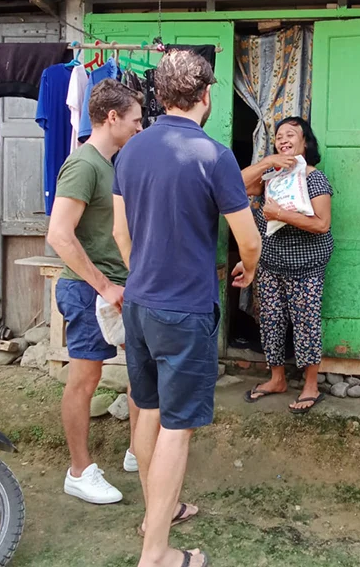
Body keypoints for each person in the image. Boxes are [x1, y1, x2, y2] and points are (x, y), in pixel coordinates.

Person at [113, 50, 261, 567]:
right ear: (207, 95)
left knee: (148, 411)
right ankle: (157, 554)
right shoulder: (214, 155)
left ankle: (162, 513)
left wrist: (144, 274)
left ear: (159, 95)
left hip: (140, 303)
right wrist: (248, 270)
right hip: (185, 309)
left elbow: (120, 233)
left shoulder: (129, 151)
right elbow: (250, 239)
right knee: (178, 425)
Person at [47, 79, 143, 504]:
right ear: (112, 118)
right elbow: (59, 234)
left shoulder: (115, 163)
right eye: (136, 120)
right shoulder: (84, 165)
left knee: (144, 371)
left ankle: (139, 450)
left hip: (119, 289)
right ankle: (79, 471)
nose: (141, 128)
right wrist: (103, 285)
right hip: (88, 291)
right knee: (85, 380)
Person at [242, 117, 333, 414]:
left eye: (291, 135)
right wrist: (268, 161)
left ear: (305, 142)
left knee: (306, 324)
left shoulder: (313, 179)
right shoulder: (271, 177)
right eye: (279, 136)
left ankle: (310, 386)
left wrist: (280, 213)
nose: (283, 139)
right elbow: (237, 184)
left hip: (306, 266)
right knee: (271, 321)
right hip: (271, 263)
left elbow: (321, 224)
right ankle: (277, 379)